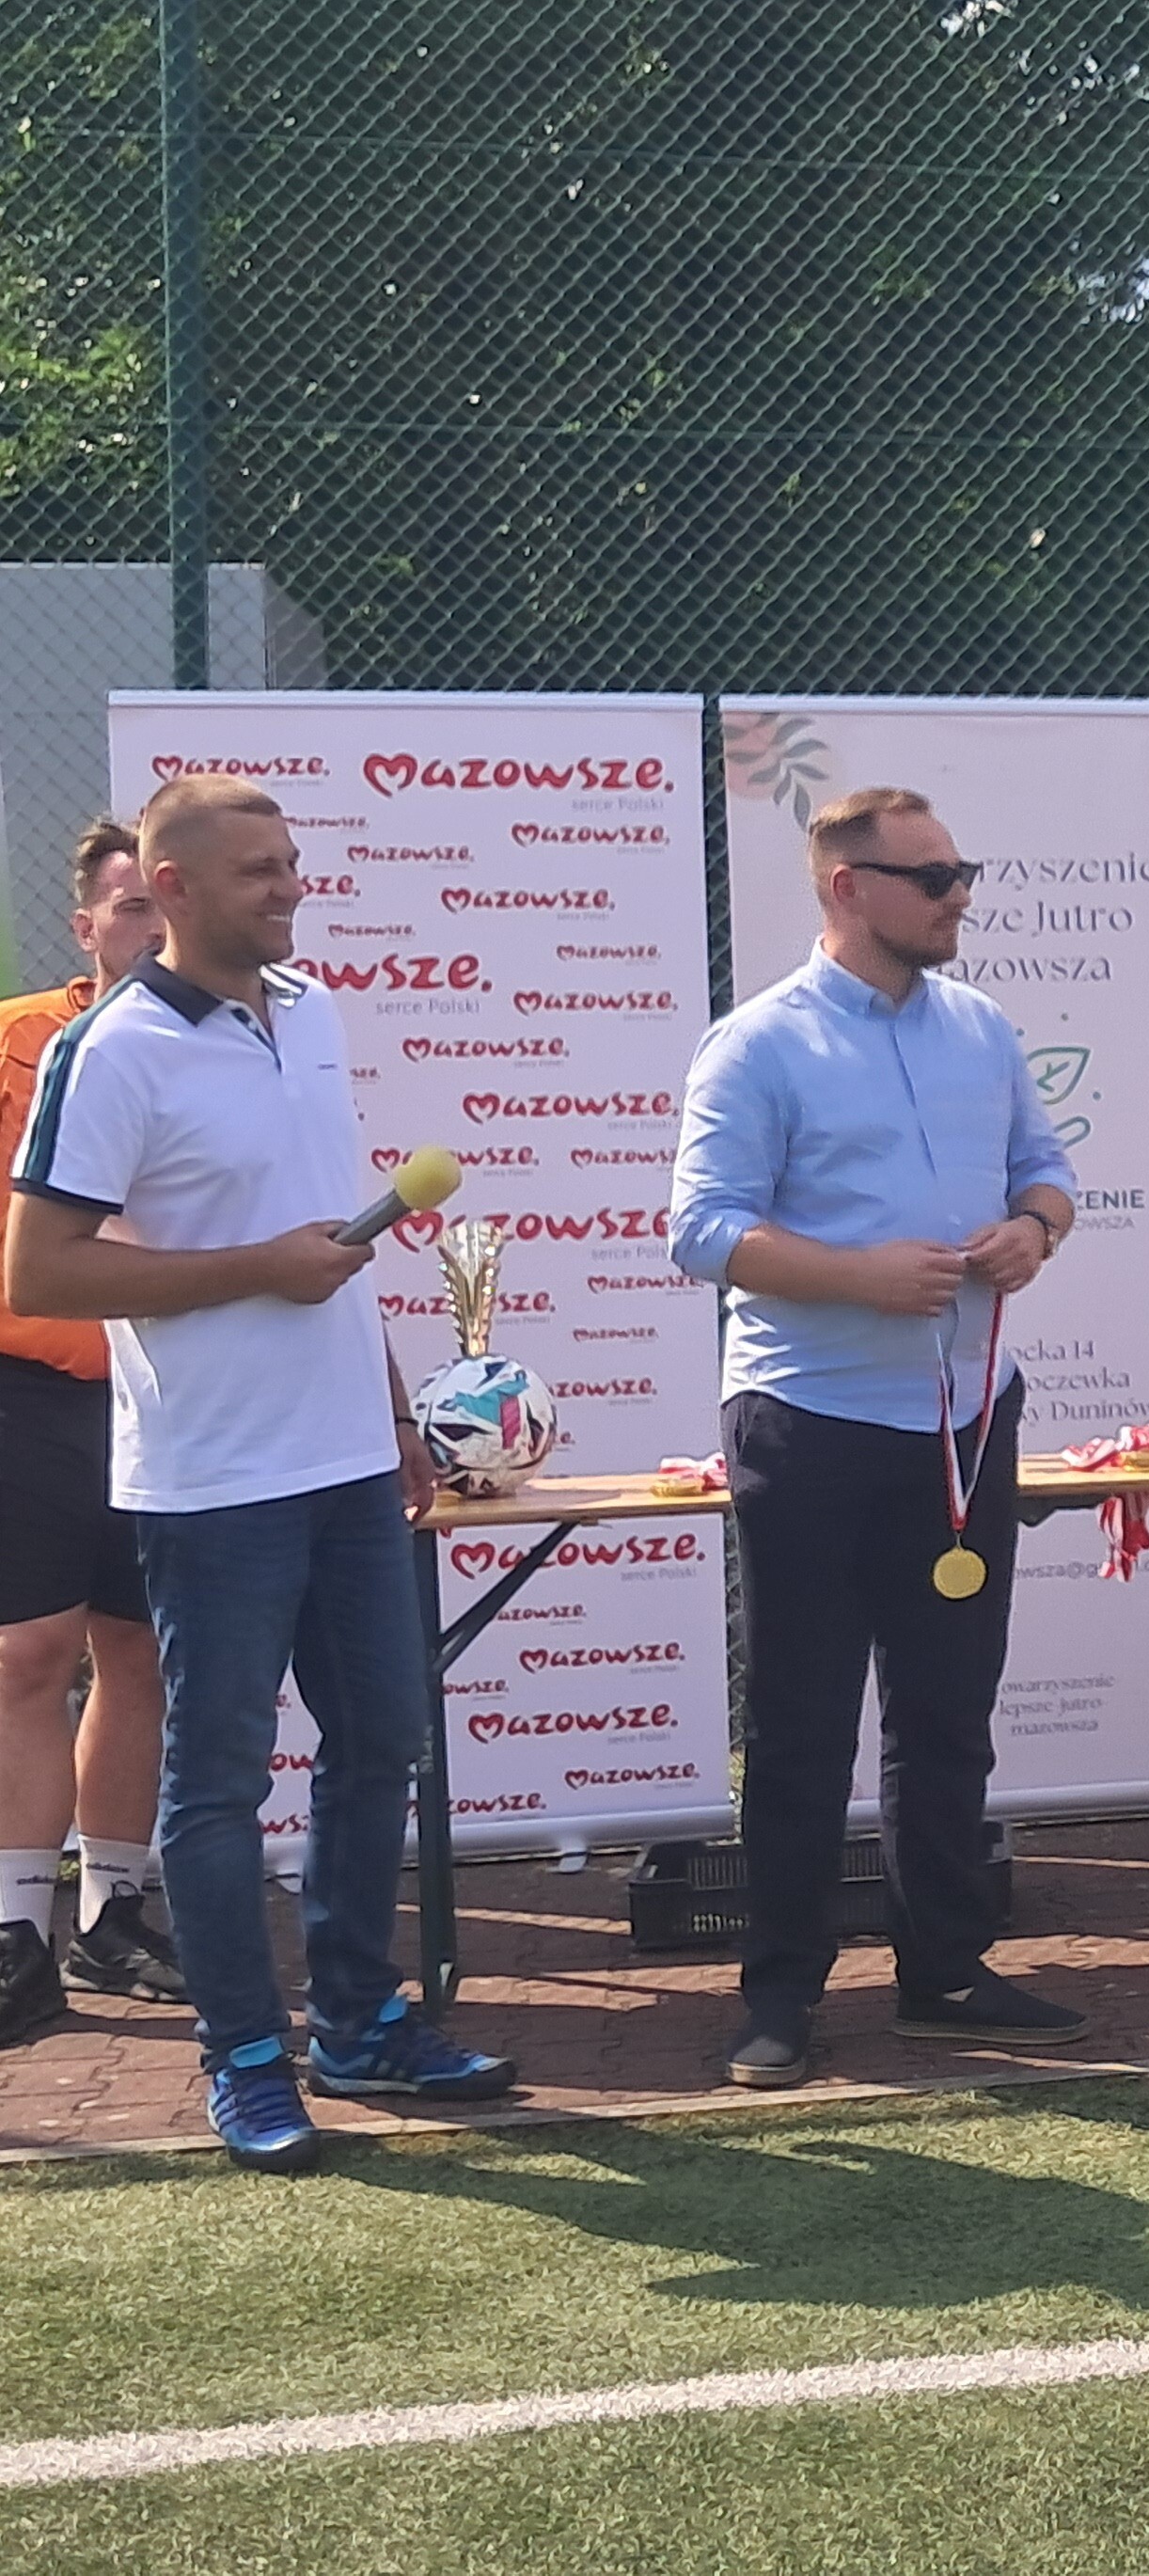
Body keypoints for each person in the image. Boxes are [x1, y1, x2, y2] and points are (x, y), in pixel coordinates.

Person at [4, 776, 512, 2170]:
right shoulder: (108, 1051)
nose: (288, 888)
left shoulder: (313, 1010)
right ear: (169, 888)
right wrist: (257, 1272)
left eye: (291, 863)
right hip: (212, 1478)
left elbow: (329, 1241)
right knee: (220, 1784)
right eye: (256, 871)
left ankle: (358, 2024)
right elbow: (41, 1271)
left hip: (348, 1463)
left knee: (381, 1746)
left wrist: (393, 1409)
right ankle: (243, 2055)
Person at [669, 786, 1082, 2091]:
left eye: (963, 872)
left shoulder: (982, 1027)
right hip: (809, 1421)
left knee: (949, 1711)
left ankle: (943, 1972)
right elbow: (701, 1230)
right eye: (934, 877)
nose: (961, 896)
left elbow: (1049, 1170)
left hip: (963, 1417)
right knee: (801, 1720)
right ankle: (780, 1996)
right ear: (848, 888)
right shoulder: (757, 1044)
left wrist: (1034, 1230)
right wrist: (856, 1277)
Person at [0, 819, 181, 2042]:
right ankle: (17, 1931)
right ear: (85, 927)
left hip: (165, 1393)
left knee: (143, 1651)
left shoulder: (224, 1048)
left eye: (164, 907)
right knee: (29, 1654)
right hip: (32, 1386)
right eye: (128, 911)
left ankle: (114, 1914)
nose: (151, 932)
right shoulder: (21, 1041)